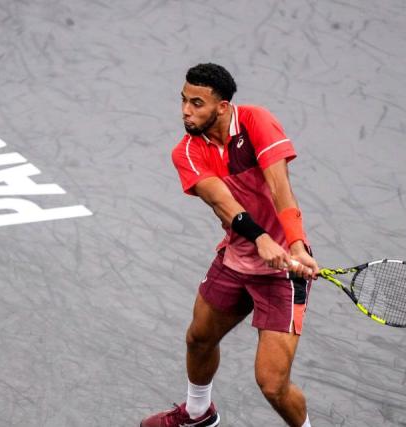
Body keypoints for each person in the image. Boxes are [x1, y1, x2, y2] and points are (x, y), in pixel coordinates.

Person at [140, 63, 319, 427]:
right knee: (199, 338)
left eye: (197, 103)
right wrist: (262, 240)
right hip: (236, 260)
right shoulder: (187, 152)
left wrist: (296, 244)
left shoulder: (256, 121)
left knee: (272, 385)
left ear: (222, 107)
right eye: (183, 101)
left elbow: (279, 186)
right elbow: (224, 203)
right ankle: (197, 413)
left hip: (283, 273)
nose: (186, 111)